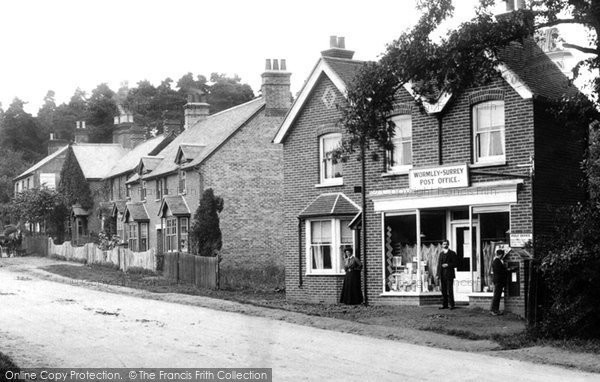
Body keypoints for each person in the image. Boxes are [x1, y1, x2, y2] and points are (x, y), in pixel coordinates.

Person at [437, 239, 457, 310]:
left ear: (448, 244)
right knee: (443, 290)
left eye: (446, 244)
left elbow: (455, 264)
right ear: (442, 245)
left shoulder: (452, 253)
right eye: (444, 244)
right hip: (442, 275)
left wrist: (447, 265)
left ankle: (452, 305)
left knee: (450, 290)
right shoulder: (441, 254)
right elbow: (439, 265)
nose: (445, 245)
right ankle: (444, 304)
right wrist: (438, 274)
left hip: (449, 274)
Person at [490, 249, 508, 316]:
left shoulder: (496, 261)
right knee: (497, 296)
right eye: (502, 255)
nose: (503, 256)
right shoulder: (497, 261)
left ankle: (495, 310)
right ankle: (494, 310)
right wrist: (507, 270)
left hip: (498, 280)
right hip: (498, 281)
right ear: (500, 255)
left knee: (497, 295)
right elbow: (500, 271)